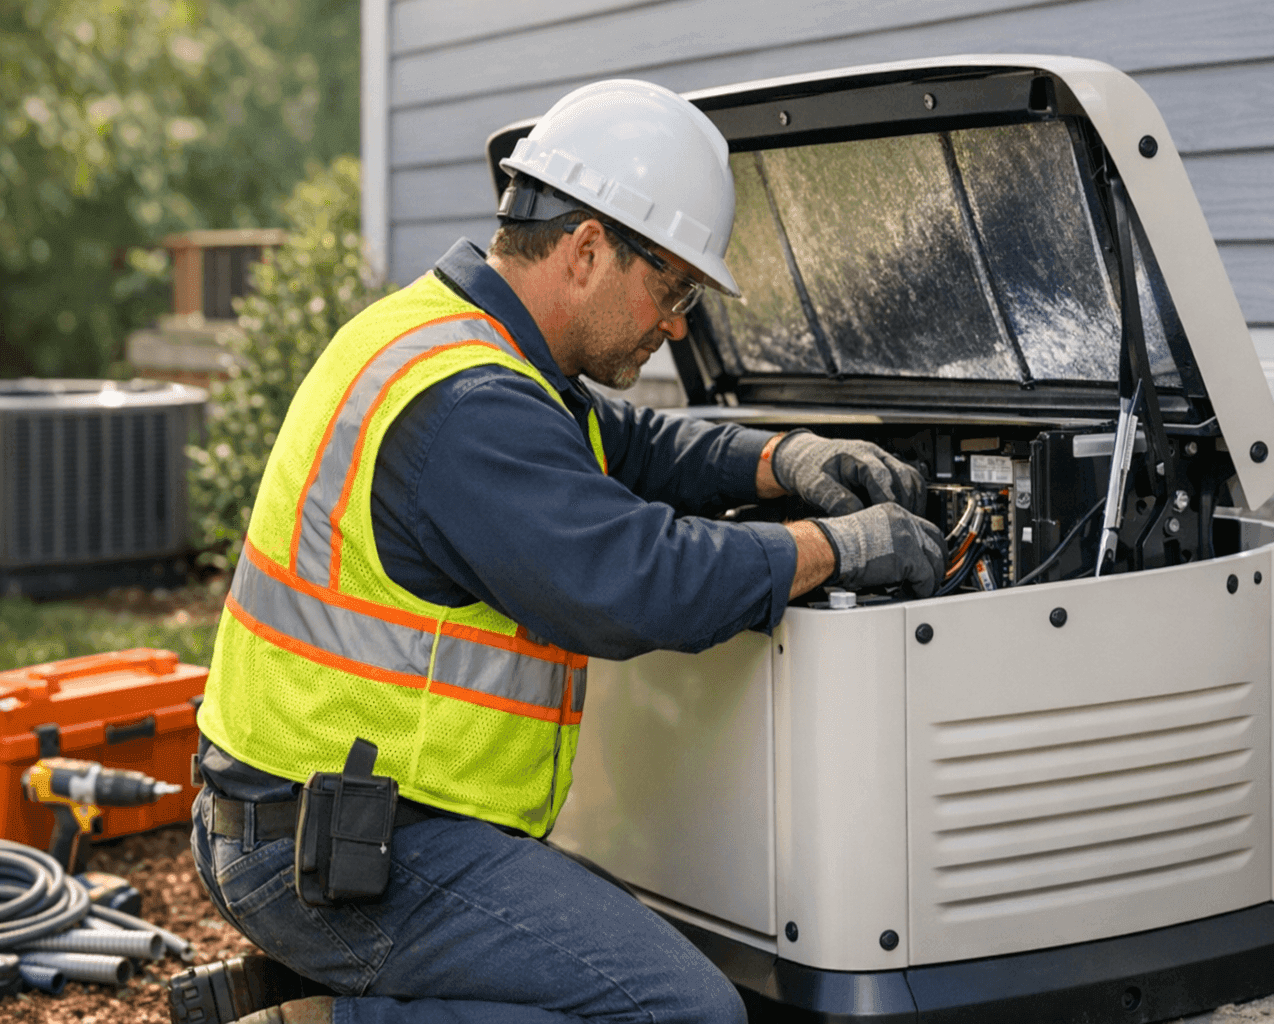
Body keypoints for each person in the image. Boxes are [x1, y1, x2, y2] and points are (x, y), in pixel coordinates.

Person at [171, 80, 944, 1024]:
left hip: (315, 815)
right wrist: (832, 547)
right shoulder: (471, 408)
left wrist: (787, 459)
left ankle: (305, 994)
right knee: (683, 1015)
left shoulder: (460, 342)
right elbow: (631, 582)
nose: (677, 325)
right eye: (673, 288)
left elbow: (638, 445)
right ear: (587, 250)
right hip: (333, 853)